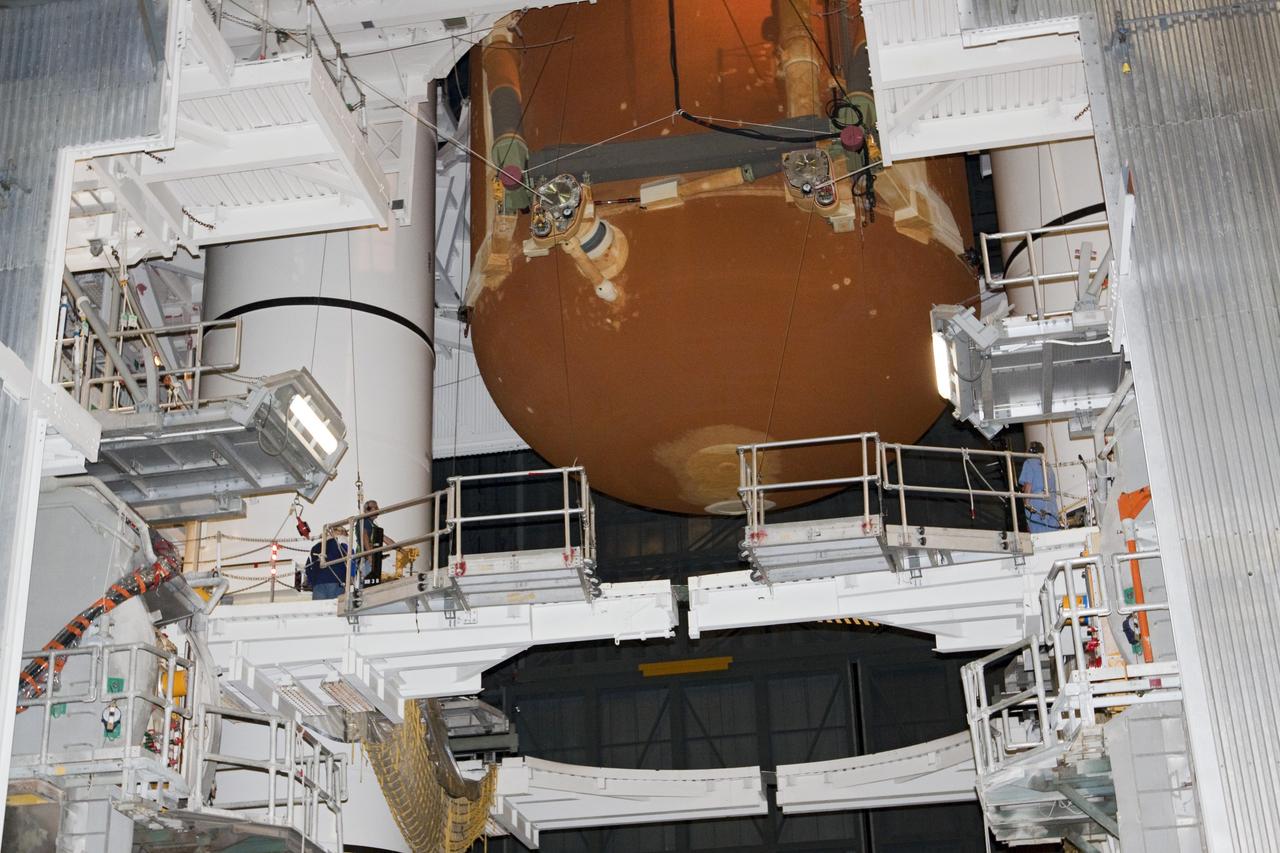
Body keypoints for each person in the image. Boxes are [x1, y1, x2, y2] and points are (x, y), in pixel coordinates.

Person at [1018, 441, 1061, 532]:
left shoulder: (1029, 463)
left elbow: (1028, 487)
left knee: (1039, 537)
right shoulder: (1048, 466)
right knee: (1053, 535)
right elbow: (1054, 491)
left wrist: (1027, 508)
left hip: (1037, 504)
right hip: (1052, 505)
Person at [306, 524, 352, 600]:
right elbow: (351, 558)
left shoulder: (315, 547)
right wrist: (351, 577)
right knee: (336, 607)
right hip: (336, 582)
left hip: (318, 585)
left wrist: (313, 582)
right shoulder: (342, 540)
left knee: (319, 607)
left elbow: (308, 567)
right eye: (345, 534)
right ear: (341, 532)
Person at [358, 500, 395, 585]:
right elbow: (364, 537)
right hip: (366, 559)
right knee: (367, 584)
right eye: (375, 507)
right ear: (367, 509)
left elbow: (384, 538)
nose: (378, 509)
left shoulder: (372, 525)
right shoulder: (364, 521)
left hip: (371, 559)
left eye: (377, 507)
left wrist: (398, 548)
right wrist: (370, 556)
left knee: (371, 583)